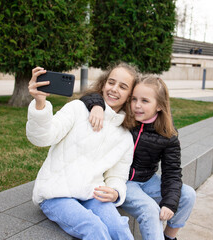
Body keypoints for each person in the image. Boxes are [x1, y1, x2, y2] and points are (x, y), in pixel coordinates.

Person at [26, 62, 140, 240]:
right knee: (94, 229)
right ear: (103, 84)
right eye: (111, 82)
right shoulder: (77, 109)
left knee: (119, 228)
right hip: (56, 193)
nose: (114, 89)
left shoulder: (125, 136)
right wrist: (40, 103)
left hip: (92, 193)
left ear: (130, 95)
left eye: (123, 87)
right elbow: (42, 137)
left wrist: (116, 191)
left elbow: (118, 175)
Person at [80, 75, 196, 240]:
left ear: (160, 106)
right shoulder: (123, 114)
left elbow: (172, 172)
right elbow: (93, 95)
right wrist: (97, 106)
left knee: (188, 195)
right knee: (150, 209)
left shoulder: (168, 134)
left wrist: (170, 203)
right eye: (134, 99)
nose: (137, 105)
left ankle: (169, 237)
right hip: (123, 181)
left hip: (147, 180)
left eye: (145, 101)